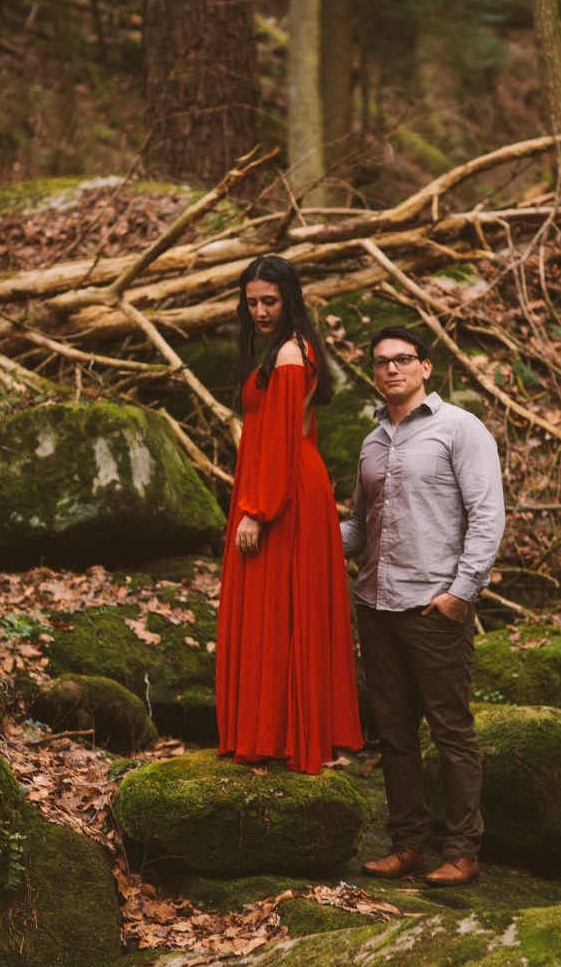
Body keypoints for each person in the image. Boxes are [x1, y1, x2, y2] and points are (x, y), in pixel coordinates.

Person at [341, 325, 505, 885]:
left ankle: (462, 851)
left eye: (403, 359)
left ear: (426, 367)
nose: (391, 369)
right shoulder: (371, 441)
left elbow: (487, 516)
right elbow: (360, 529)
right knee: (393, 730)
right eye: (381, 361)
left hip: (432, 607)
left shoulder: (461, 429)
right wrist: (299, 531)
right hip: (376, 604)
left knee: (451, 729)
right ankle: (408, 843)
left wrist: (461, 594)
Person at [216, 254, 364, 775]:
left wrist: (257, 511)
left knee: (280, 606)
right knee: (274, 607)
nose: (259, 310)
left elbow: (285, 440)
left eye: (269, 301)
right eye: (252, 301)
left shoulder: (289, 356)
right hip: (282, 483)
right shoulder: (284, 350)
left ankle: (283, 735)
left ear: (289, 300)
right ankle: (274, 731)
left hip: (285, 490)